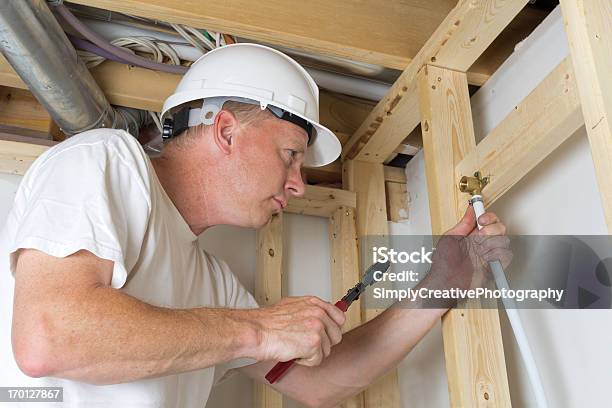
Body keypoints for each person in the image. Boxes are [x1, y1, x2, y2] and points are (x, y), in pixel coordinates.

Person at [0, 43, 510, 407]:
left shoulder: (212, 283)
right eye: (290, 155)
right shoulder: (105, 160)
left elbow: (320, 383)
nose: (298, 184)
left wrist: (443, 283)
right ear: (225, 131)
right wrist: (260, 330)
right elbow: (49, 336)